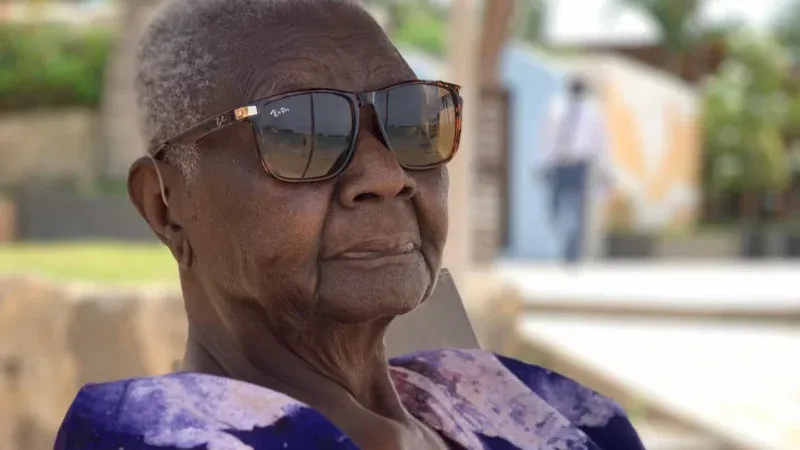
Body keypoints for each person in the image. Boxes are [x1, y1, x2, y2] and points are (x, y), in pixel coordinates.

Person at [55, 1, 644, 449]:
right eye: (301, 131)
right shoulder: (146, 434)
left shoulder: (511, 400)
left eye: (414, 119)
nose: (389, 174)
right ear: (166, 206)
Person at [537, 76, 612, 263]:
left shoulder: (593, 113)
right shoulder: (556, 108)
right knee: (554, 208)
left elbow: (600, 141)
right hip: (558, 164)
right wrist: (542, 163)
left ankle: (572, 252)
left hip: (580, 165)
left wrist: (604, 167)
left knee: (578, 209)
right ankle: (566, 239)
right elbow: (546, 137)